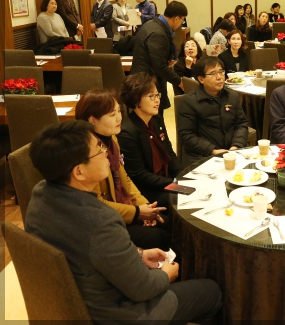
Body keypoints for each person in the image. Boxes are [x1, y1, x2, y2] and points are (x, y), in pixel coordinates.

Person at [26, 120, 222, 324]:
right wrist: (166, 275)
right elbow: (143, 289)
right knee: (211, 291)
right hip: (118, 314)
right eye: (99, 149)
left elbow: (93, 252)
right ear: (79, 172)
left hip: (77, 298)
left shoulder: (40, 194)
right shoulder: (100, 221)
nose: (105, 153)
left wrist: (139, 254)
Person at [75, 89, 170, 250]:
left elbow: (125, 179)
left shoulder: (112, 139)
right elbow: (95, 203)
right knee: (159, 235)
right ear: (92, 120)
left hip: (121, 208)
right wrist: (137, 212)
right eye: (112, 114)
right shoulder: (87, 151)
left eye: (119, 111)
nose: (119, 118)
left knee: (165, 221)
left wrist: (146, 207)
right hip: (101, 222)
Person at [118, 73, 182, 206]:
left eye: (157, 95)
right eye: (151, 96)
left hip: (165, 180)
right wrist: (174, 183)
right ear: (136, 100)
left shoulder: (156, 119)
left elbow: (169, 153)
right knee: (184, 200)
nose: (157, 100)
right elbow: (139, 175)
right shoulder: (127, 132)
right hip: (147, 189)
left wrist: (182, 176)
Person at [177, 57, 249, 168]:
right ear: (201, 79)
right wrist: (213, 150)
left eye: (221, 72)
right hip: (202, 156)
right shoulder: (188, 101)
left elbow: (241, 124)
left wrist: (236, 146)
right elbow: (187, 135)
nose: (219, 77)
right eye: (213, 73)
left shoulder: (232, 96)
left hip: (232, 152)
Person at [130, 1, 186, 114]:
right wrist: (179, 81)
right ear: (176, 18)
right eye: (182, 20)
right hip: (146, 83)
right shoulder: (158, 33)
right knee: (152, 119)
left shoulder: (152, 24)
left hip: (143, 79)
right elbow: (159, 66)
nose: (182, 23)